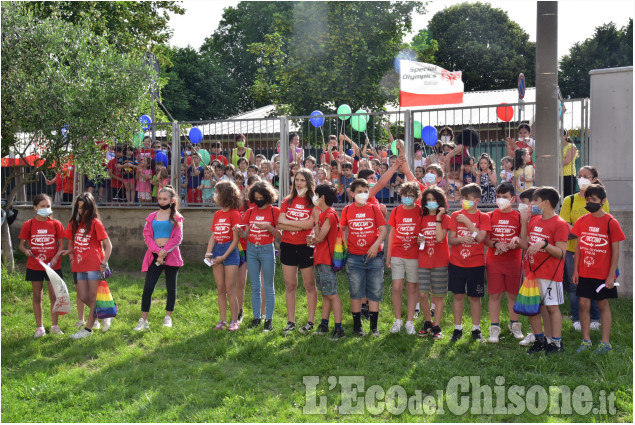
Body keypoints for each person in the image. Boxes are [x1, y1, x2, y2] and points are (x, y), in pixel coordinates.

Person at [571, 184, 625, 354]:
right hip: (585, 272)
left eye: (593, 200)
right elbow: (579, 248)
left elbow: (616, 251)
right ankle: (586, 340)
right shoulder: (582, 221)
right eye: (588, 200)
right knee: (583, 303)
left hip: (603, 274)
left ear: (603, 201)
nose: (590, 203)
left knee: (602, 304)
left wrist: (611, 276)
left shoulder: (611, 222)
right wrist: (576, 271)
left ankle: (605, 343)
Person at [517, 187, 569, 355]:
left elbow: (561, 253)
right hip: (532, 272)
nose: (532, 204)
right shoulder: (534, 220)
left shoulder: (560, 224)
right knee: (532, 307)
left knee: (552, 308)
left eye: (535, 200)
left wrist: (545, 244)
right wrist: (519, 237)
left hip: (550, 274)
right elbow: (527, 244)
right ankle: (540, 340)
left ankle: (556, 343)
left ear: (546, 203)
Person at [559, 166, 608, 331]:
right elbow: (564, 224)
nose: (581, 179)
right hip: (572, 250)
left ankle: (595, 317)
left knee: (593, 283)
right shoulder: (569, 200)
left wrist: (580, 233)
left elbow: (603, 222)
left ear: (594, 179)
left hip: (594, 251)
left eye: (586, 176)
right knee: (574, 285)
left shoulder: (602, 200)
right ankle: (576, 317)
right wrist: (582, 233)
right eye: (579, 176)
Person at [340, 178, 387, 337]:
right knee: (356, 291)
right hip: (354, 257)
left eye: (366, 191)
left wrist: (375, 246)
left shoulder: (374, 209)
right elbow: (341, 229)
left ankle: (374, 328)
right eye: (359, 192)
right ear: (352, 194)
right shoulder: (347, 210)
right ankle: (357, 327)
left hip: (374, 257)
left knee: (375, 291)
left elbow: (383, 230)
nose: (363, 194)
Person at [133, 187, 183, 331]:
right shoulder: (151, 216)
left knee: (170, 287)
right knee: (148, 287)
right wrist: (158, 251)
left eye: (164, 199)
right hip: (155, 255)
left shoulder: (177, 217)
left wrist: (165, 251)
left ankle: (168, 317)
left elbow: (178, 238)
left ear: (172, 200)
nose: (161, 201)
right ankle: (143, 320)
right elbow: (147, 236)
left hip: (171, 256)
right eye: (160, 199)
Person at [447, 183, 492, 343]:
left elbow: (480, 238)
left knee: (475, 297)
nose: (463, 201)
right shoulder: (455, 215)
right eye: (462, 198)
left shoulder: (483, 217)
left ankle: (476, 329)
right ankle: (457, 328)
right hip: (457, 263)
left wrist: (467, 222)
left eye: (468, 198)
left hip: (476, 264)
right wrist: (460, 239)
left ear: (477, 200)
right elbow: (451, 240)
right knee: (458, 295)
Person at [484, 182, 528, 343]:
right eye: (498, 197)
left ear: (513, 198)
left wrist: (515, 242)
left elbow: (524, 240)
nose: (501, 200)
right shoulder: (490, 216)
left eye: (505, 197)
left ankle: (515, 324)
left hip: (514, 261)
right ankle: (494, 327)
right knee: (495, 294)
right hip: (494, 261)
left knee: (513, 294)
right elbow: (485, 239)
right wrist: (495, 244)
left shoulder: (518, 216)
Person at [277, 168, 319, 335]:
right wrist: (301, 224)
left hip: (305, 246)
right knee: (290, 285)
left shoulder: (313, 203)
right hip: (288, 245)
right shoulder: (287, 201)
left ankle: (310, 321)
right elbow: (280, 222)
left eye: (303, 180)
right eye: (297, 180)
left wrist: (291, 223)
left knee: (309, 285)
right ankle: (291, 321)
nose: (299, 183)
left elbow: (311, 224)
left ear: (309, 183)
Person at [65, 193, 113, 339]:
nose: (81, 211)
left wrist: (104, 263)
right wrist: (69, 252)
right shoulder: (77, 223)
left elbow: (108, 245)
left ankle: (87, 329)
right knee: (84, 297)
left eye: (84, 208)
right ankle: (104, 315)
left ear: (91, 207)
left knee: (93, 296)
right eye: (79, 208)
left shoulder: (96, 223)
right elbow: (79, 244)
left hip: (94, 265)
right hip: (80, 265)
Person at [19, 194, 66, 337]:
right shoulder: (29, 224)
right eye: (42, 206)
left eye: (48, 206)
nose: (46, 209)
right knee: (37, 296)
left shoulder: (56, 224)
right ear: (35, 208)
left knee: (54, 296)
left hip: (53, 266)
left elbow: (61, 245)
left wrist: (56, 257)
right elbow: (21, 245)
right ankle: (40, 328)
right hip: (35, 265)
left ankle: (54, 326)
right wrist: (26, 251)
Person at [240, 181, 281, 332]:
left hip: (267, 249)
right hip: (251, 249)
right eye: (255, 197)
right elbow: (247, 234)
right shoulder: (250, 212)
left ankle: (268, 319)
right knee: (255, 286)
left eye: (261, 197)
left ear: (268, 196)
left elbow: (280, 235)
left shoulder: (274, 212)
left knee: (268, 286)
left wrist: (269, 228)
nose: (258, 200)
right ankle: (257, 317)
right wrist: (240, 232)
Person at [308, 183, 345, 339]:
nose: (314, 198)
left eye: (316, 195)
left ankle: (339, 329)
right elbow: (317, 239)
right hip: (319, 258)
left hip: (326, 260)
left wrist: (316, 222)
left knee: (332, 294)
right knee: (325, 293)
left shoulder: (329, 214)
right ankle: (324, 324)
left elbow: (320, 237)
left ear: (322, 197)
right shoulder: (323, 213)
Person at [386, 182, 422, 335]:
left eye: (411, 196)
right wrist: (388, 257)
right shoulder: (396, 211)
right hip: (397, 253)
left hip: (414, 255)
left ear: (416, 197)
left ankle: (409, 321)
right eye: (405, 195)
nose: (408, 198)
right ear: (401, 195)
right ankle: (398, 320)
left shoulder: (420, 211)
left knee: (412, 288)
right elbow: (392, 234)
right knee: (396, 287)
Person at [206, 181, 242, 331]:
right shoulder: (217, 214)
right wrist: (209, 252)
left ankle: (235, 321)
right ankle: (222, 321)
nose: (215, 195)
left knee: (230, 288)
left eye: (217, 192)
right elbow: (213, 235)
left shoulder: (234, 214)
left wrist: (224, 256)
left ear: (225, 195)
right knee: (220, 288)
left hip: (230, 252)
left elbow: (236, 240)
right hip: (217, 251)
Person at [416, 187, 450, 339]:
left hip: (440, 261)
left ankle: (436, 326)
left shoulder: (445, 219)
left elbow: (439, 238)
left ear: (440, 202)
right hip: (424, 260)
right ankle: (427, 322)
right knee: (423, 294)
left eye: (434, 200)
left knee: (438, 296)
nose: (431, 203)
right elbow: (418, 238)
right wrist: (419, 240)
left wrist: (438, 217)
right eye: (428, 200)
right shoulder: (421, 219)